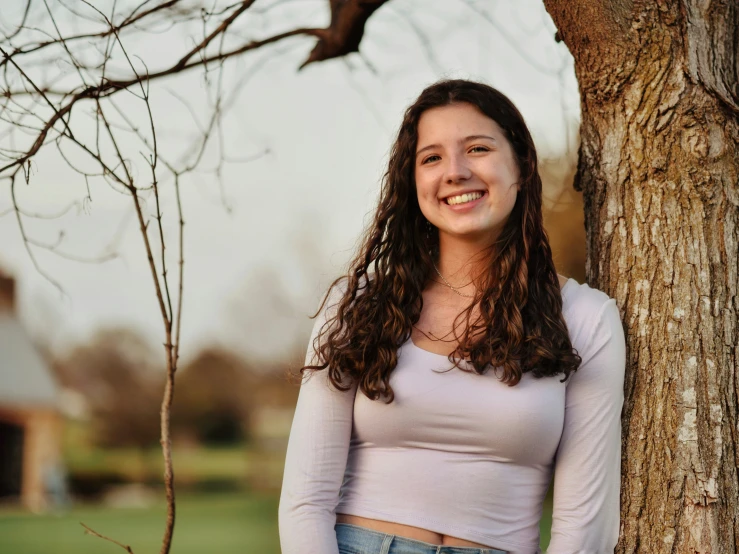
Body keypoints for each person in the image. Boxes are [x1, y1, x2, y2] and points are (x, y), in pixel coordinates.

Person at [278, 79, 626, 554]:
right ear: (413, 181)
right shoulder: (356, 305)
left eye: (477, 148)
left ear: (521, 165)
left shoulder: (586, 318)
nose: (456, 172)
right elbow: (304, 502)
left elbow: (585, 528)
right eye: (432, 157)